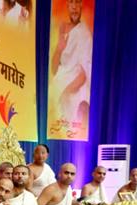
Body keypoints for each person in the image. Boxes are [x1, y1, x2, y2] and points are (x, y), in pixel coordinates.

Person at [50, 0, 92, 128]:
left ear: (81, 5)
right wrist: (59, 48)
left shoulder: (84, 34)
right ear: (67, 5)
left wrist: (66, 93)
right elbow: (54, 70)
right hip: (59, 82)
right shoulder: (63, 29)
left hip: (75, 88)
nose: (74, 7)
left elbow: (84, 74)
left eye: (77, 2)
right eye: (71, 2)